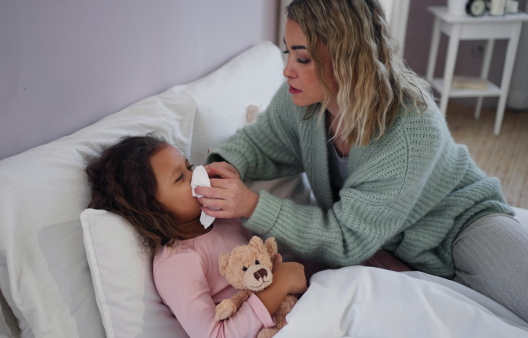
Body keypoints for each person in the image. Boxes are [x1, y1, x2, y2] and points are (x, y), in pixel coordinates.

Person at [195, 0, 528, 322]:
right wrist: (219, 169)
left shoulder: (411, 130)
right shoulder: (303, 101)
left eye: (304, 59)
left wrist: (253, 205)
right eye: (288, 52)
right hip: (386, 245)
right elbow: (260, 143)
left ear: (346, 60)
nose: (287, 71)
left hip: (461, 224)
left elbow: (344, 240)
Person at [85, 134, 307, 338]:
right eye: (180, 177)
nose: (197, 175)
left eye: (190, 166)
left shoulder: (225, 219)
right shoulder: (177, 262)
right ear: (152, 208)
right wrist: (280, 284)